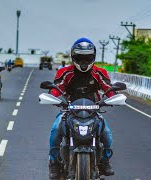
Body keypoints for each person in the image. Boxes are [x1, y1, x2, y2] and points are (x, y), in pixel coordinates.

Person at [48, 38, 115, 179]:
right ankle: (54, 162)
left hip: (93, 112)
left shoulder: (99, 72)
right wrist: (53, 97)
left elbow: (108, 89)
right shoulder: (65, 72)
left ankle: (105, 162)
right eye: (80, 57)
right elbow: (56, 89)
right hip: (69, 110)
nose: (84, 61)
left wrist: (113, 97)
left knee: (107, 133)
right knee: (55, 129)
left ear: (93, 57)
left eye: (87, 57)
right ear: (73, 57)